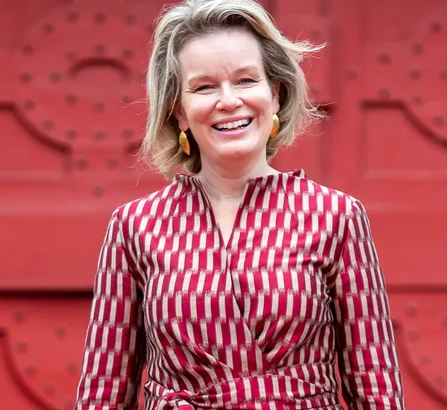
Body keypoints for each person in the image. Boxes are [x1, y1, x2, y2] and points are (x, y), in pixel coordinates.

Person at [74, 0, 406, 409]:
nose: (228, 101)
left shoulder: (335, 217)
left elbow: (377, 390)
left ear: (276, 92)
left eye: (246, 80)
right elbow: (102, 394)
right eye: (204, 86)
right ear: (179, 110)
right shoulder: (135, 226)